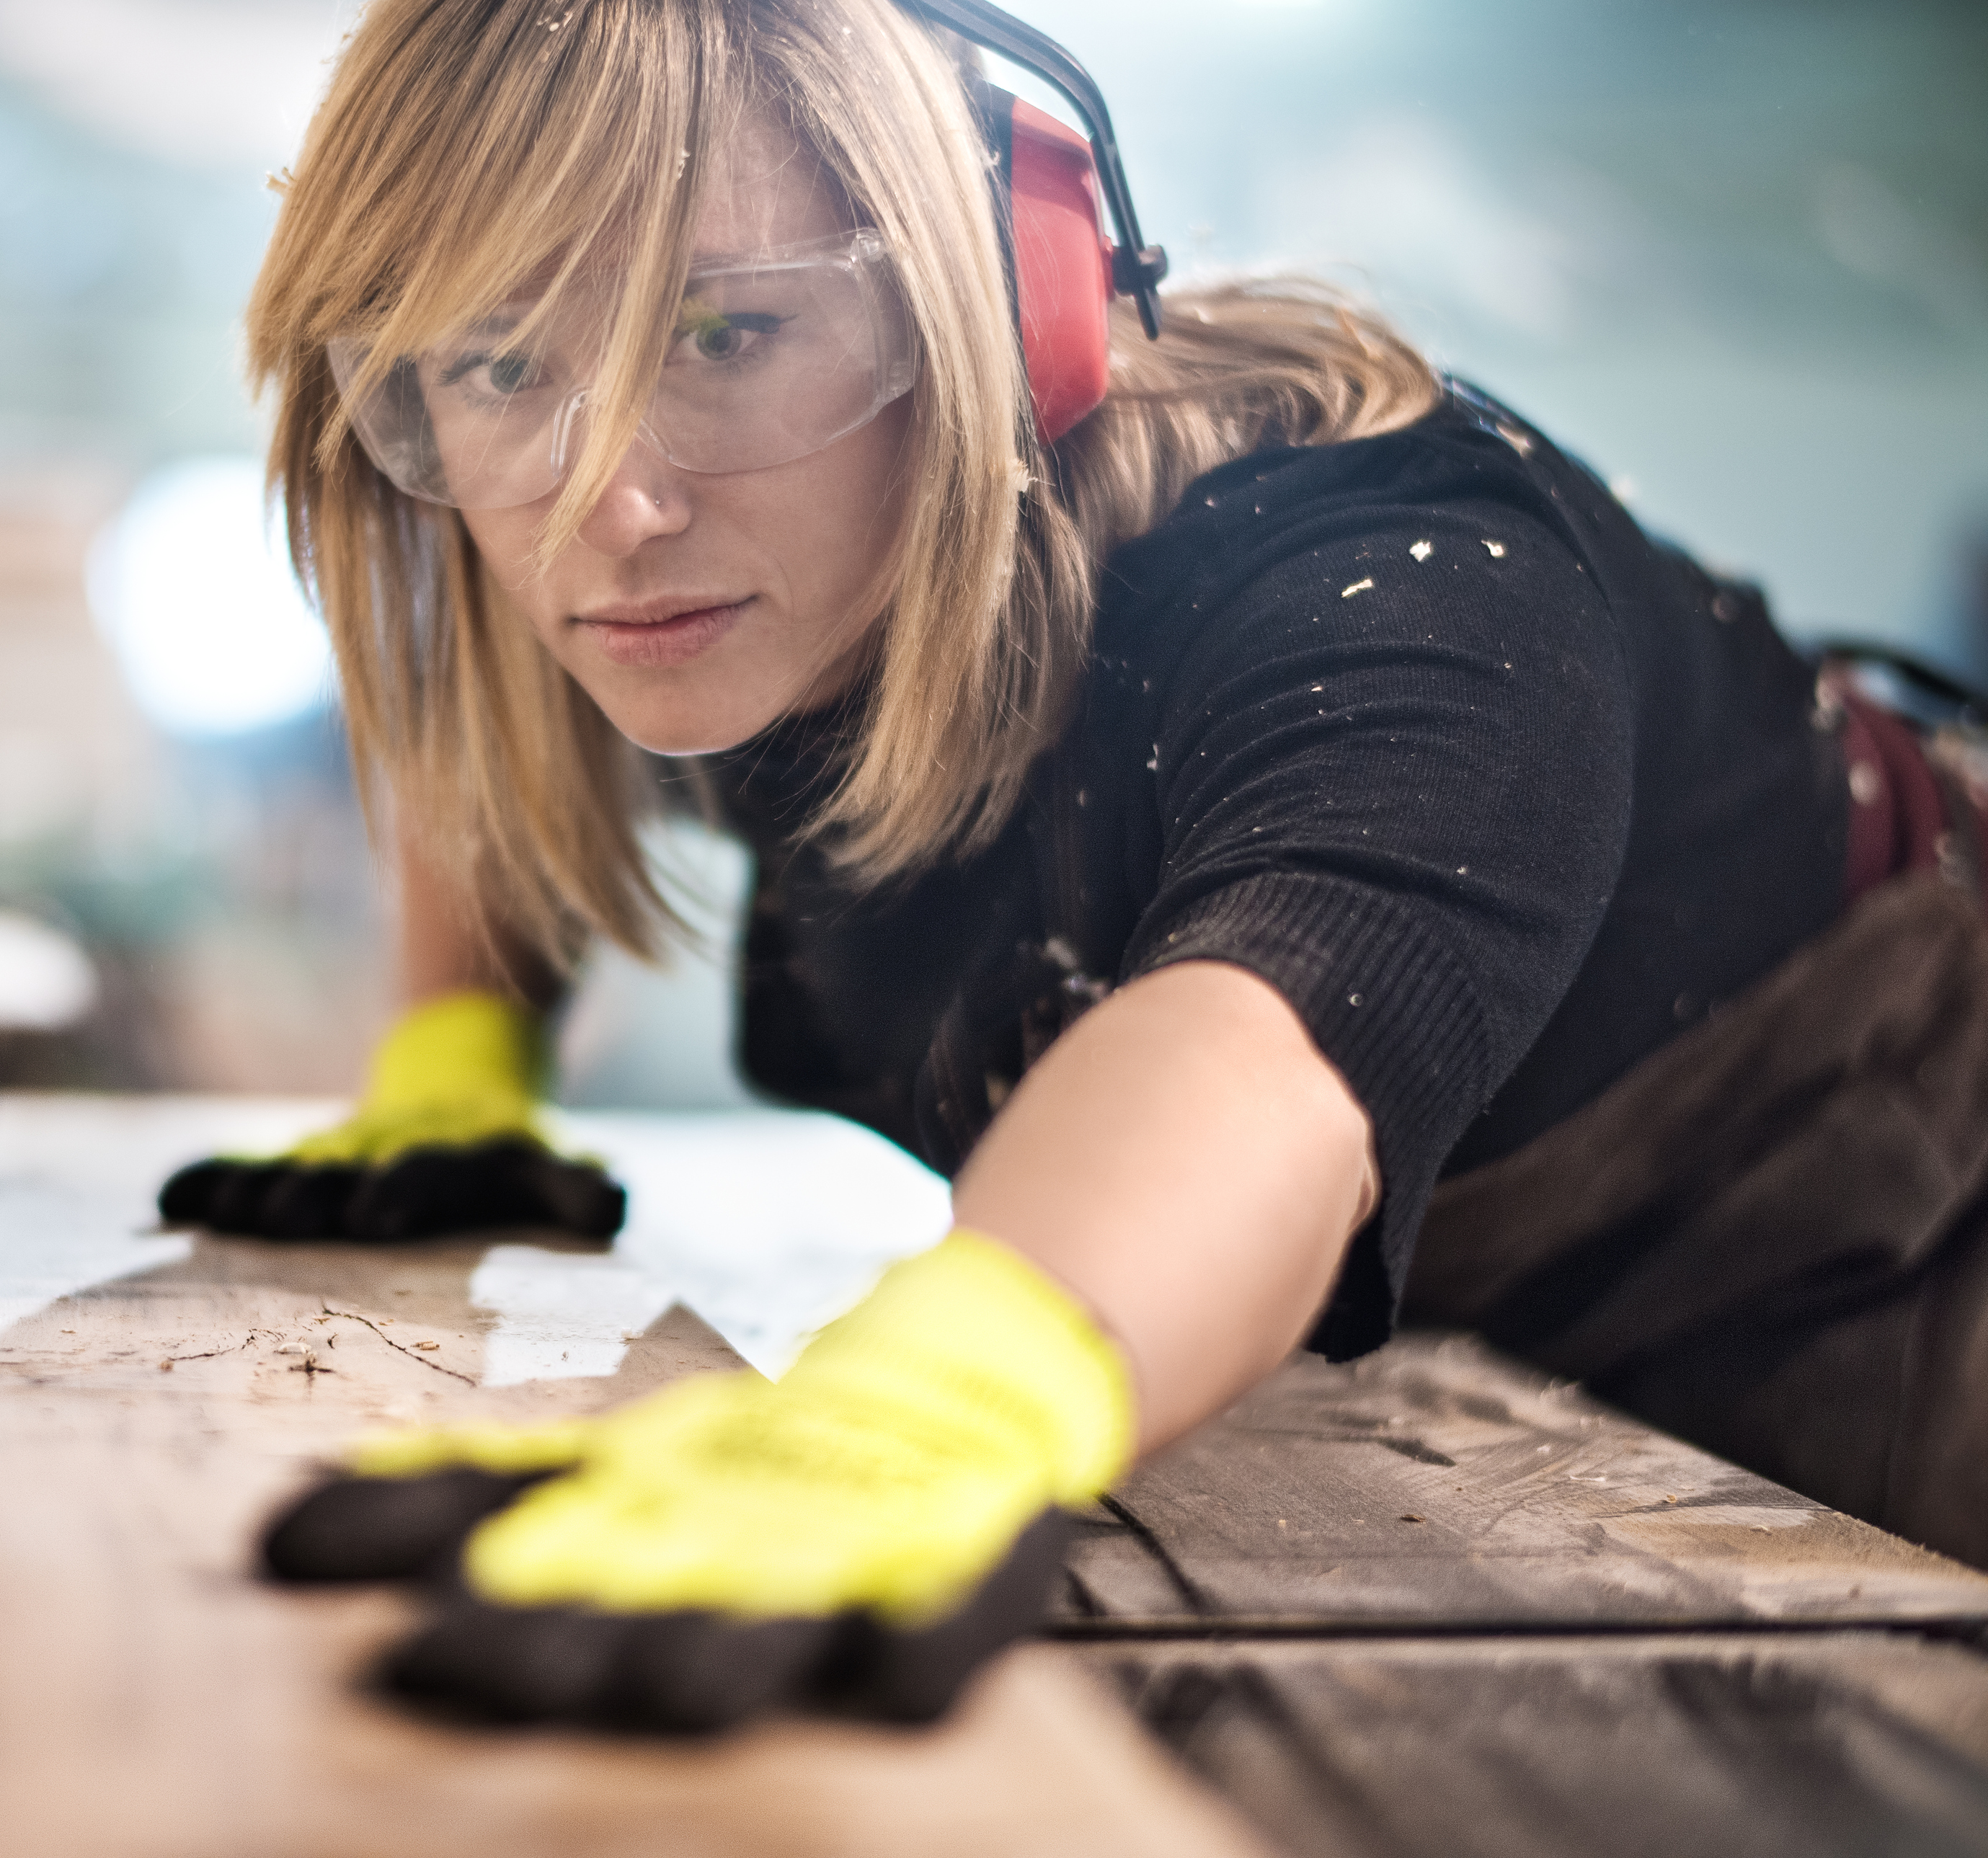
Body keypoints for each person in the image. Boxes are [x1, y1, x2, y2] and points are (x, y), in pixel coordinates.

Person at [158, 0, 1988, 1730]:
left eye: (724, 333)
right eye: (497, 361)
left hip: (1886, 1216)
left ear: (992, 307)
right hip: (1424, 1332)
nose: (603, 504)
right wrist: (455, 1061)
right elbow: (498, 735)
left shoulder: (1397, 589)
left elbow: (1266, 1055)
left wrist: (958, 1381)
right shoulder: (715, 572)